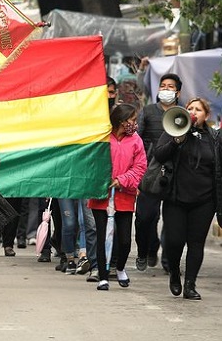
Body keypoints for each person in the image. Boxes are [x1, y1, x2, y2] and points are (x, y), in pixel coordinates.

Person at [154, 97, 222, 300]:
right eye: (190, 108)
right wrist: (177, 140)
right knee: (174, 241)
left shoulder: (213, 138)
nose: (194, 112)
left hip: (204, 200)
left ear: (206, 115)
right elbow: (159, 155)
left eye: (198, 109)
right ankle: (174, 272)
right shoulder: (174, 131)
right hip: (176, 199)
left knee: (196, 243)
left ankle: (190, 284)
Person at [90, 103, 146, 291]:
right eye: (132, 120)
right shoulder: (103, 137)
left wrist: (122, 180)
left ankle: (120, 268)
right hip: (101, 196)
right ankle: (103, 277)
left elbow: (140, 167)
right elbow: (92, 162)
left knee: (124, 240)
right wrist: (103, 180)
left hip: (125, 197)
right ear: (122, 121)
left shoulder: (136, 140)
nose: (134, 124)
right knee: (103, 238)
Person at [135, 73, 182, 272]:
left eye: (170, 86)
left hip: (176, 174)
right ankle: (148, 248)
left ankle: (169, 262)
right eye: (163, 86)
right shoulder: (147, 112)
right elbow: (136, 138)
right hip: (149, 172)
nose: (166, 89)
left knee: (173, 222)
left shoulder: (182, 114)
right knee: (145, 217)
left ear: (177, 92)